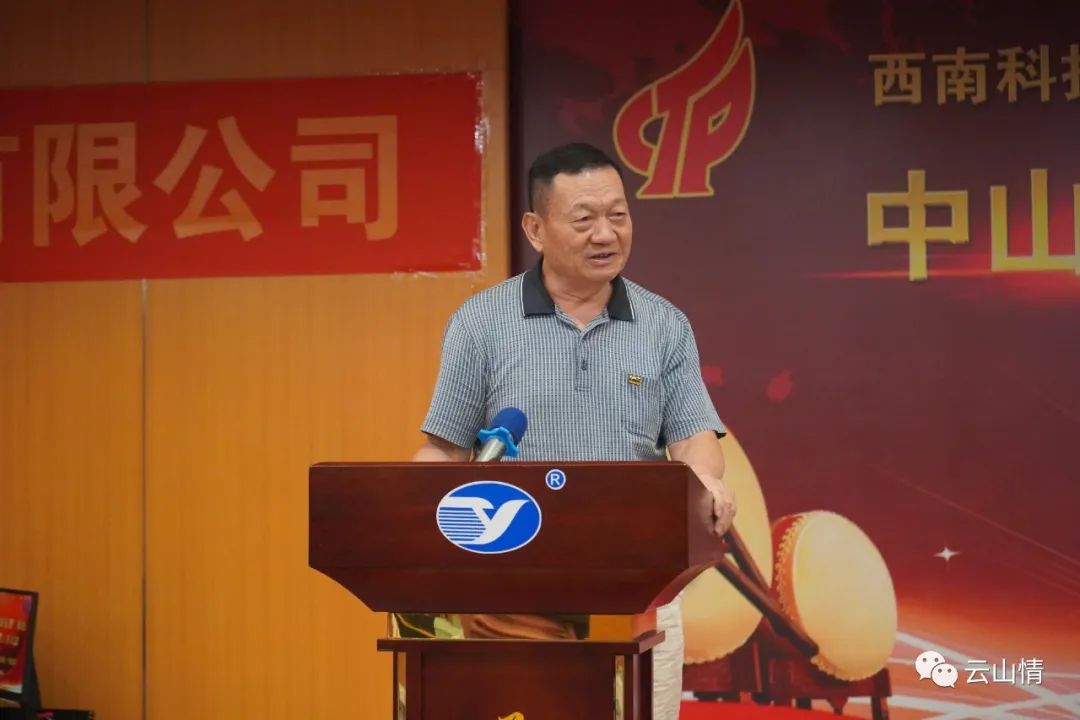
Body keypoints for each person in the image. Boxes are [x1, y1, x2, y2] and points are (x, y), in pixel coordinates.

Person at [412, 142, 735, 720]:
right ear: (535, 229)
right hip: (512, 590)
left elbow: (692, 439)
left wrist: (707, 483)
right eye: (584, 219)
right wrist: (405, 515)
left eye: (618, 215)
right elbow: (445, 449)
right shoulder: (481, 323)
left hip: (638, 585)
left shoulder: (664, 325)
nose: (606, 234)